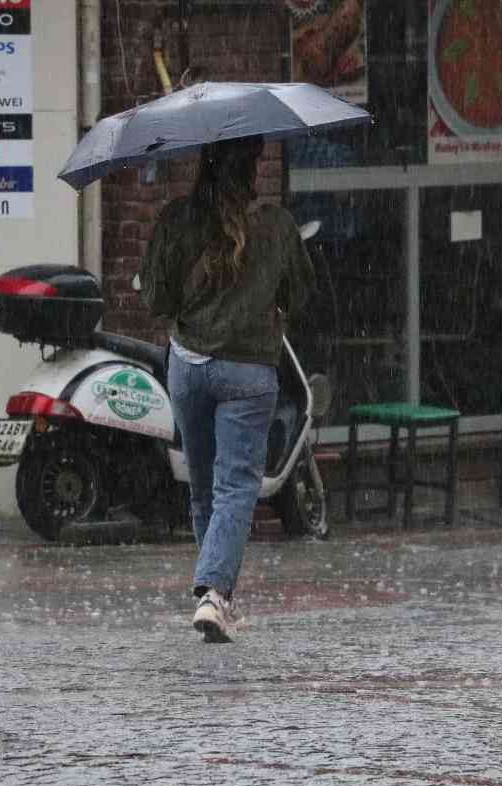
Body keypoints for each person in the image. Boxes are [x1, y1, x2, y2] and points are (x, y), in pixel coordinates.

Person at [139, 136, 315, 643]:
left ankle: (210, 597)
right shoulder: (277, 225)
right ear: (253, 166)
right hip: (249, 373)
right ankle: (217, 595)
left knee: (203, 485)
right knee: (236, 487)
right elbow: (301, 293)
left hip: (189, 367)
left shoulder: (178, 219)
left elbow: (154, 298)